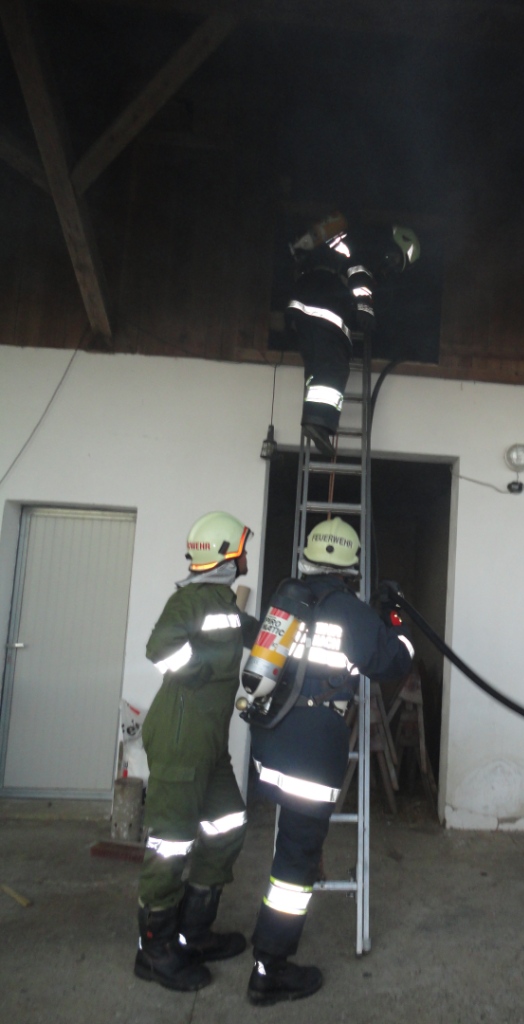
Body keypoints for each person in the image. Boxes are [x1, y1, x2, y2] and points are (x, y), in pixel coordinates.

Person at [246, 516, 414, 1005]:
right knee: (294, 861)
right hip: (313, 750)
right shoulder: (350, 612)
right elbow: (394, 662)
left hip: (271, 743)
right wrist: (396, 621)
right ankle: (268, 969)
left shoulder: (286, 600)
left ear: (309, 558)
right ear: (351, 567)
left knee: (291, 842)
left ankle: (268, 953)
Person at [134, 511, 260, 991]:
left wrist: (287, 632)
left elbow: (246, 630)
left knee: (227, 825)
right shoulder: (188, 601)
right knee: (171, 843)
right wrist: (198, 672)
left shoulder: (220, 602)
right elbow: (160, 647)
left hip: (209, 741)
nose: (246, 557)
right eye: (241, 550)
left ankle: (193, 932)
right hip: (181, 738)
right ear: (226, 556)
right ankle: (154, 950)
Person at [286, 212, 420, 458]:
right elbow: (358, 273)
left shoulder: (347, 241)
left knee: (317, 369)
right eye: (394, 259)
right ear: (393, 244)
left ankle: (317, 421)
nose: (389, 266)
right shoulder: (367, 246)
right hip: (322, 303)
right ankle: (317, 423)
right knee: (334, 367)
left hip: (305, 303)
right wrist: (364, 307)